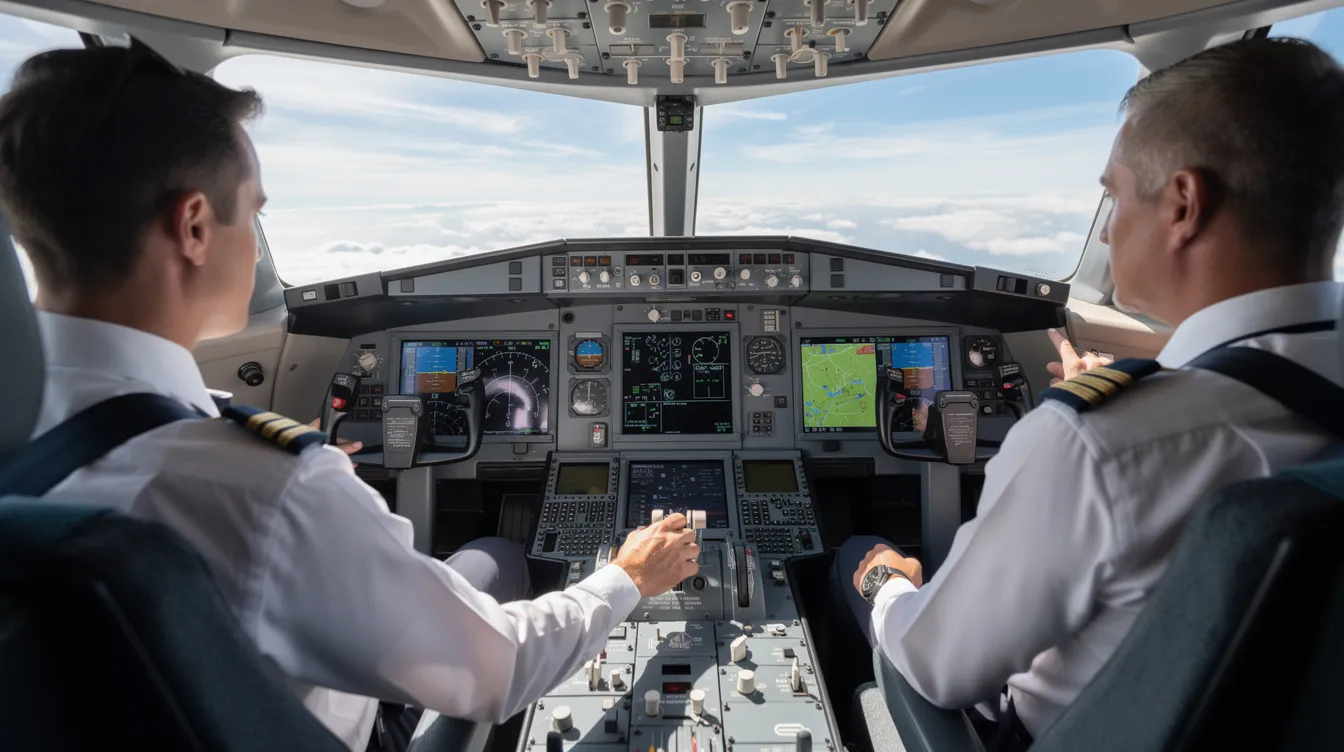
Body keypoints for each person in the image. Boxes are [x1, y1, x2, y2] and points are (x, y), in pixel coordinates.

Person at [0, 44, 700, 751]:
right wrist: (627, 576)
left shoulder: (55, 434)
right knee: (501, 558)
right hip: (345, 730)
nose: (255, 247)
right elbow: (503, 667)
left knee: (488, 557)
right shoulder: (270, 489)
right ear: (193, 228)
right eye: (254, 212)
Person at [835, 36, 1344, 748]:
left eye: (1113, 194)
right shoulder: (1133, 430)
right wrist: (1141, 408)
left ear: (1183, 205)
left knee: (856, 553)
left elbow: (932, 662)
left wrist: (884, 580)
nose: (1108, 226)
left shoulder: (1100, 445)